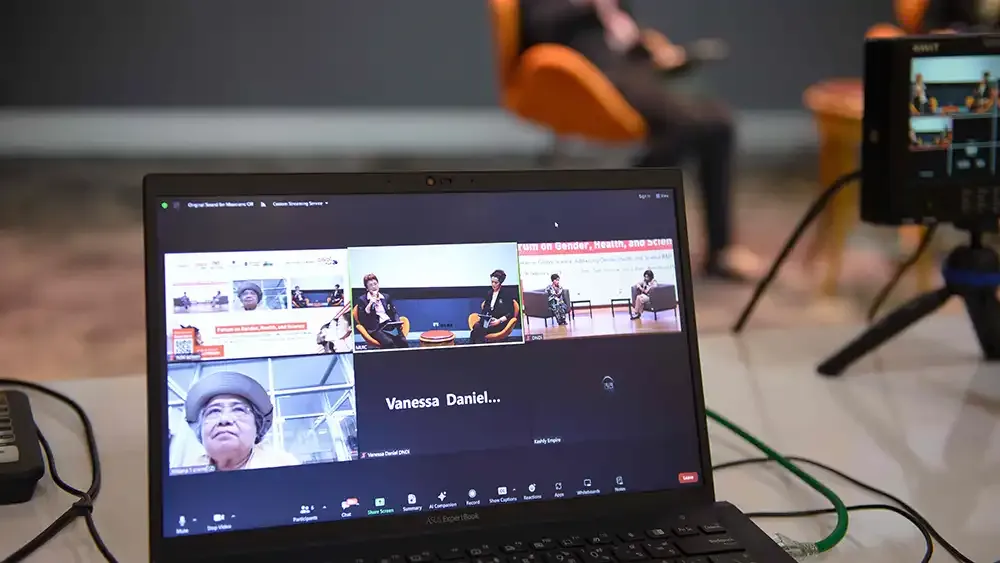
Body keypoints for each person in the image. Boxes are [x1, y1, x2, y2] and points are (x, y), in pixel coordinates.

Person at [519, 0, 760, 281]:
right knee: (686, 127)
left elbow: (622, 29)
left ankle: (718, 250)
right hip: (598, 75)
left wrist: (651, 46)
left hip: (637, 67)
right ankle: (631, 202)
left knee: (718, 123)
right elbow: (539, 27)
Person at [183, 371, 299, 471]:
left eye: (238, 410)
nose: (224, 419)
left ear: (257, 427)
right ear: (200, 430)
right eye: (213, 411)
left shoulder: (284, 467)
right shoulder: (186, 474)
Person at [355, 273, 409, 348]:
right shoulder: (362, 300)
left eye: (375, 284)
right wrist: (370, 303)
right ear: (367, 288)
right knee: (389, 343)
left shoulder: (385, 297)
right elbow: (362, 319)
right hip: (376, 328)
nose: (374, 287)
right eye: (371, 285)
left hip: (389, 324)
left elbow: (393, 312)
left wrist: (397, 323)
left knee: (403, 342)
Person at [471, 269, 517, 344]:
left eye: (496, 282)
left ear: (500, 282)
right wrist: (484, 317)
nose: (493, 284)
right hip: (490, 321)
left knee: (477, 330)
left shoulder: (506, 294)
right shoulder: (489, 293)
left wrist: (499, 321)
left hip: (500, 322)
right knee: (477, 328)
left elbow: (510, 313)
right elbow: (485, 308)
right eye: (492, 282)